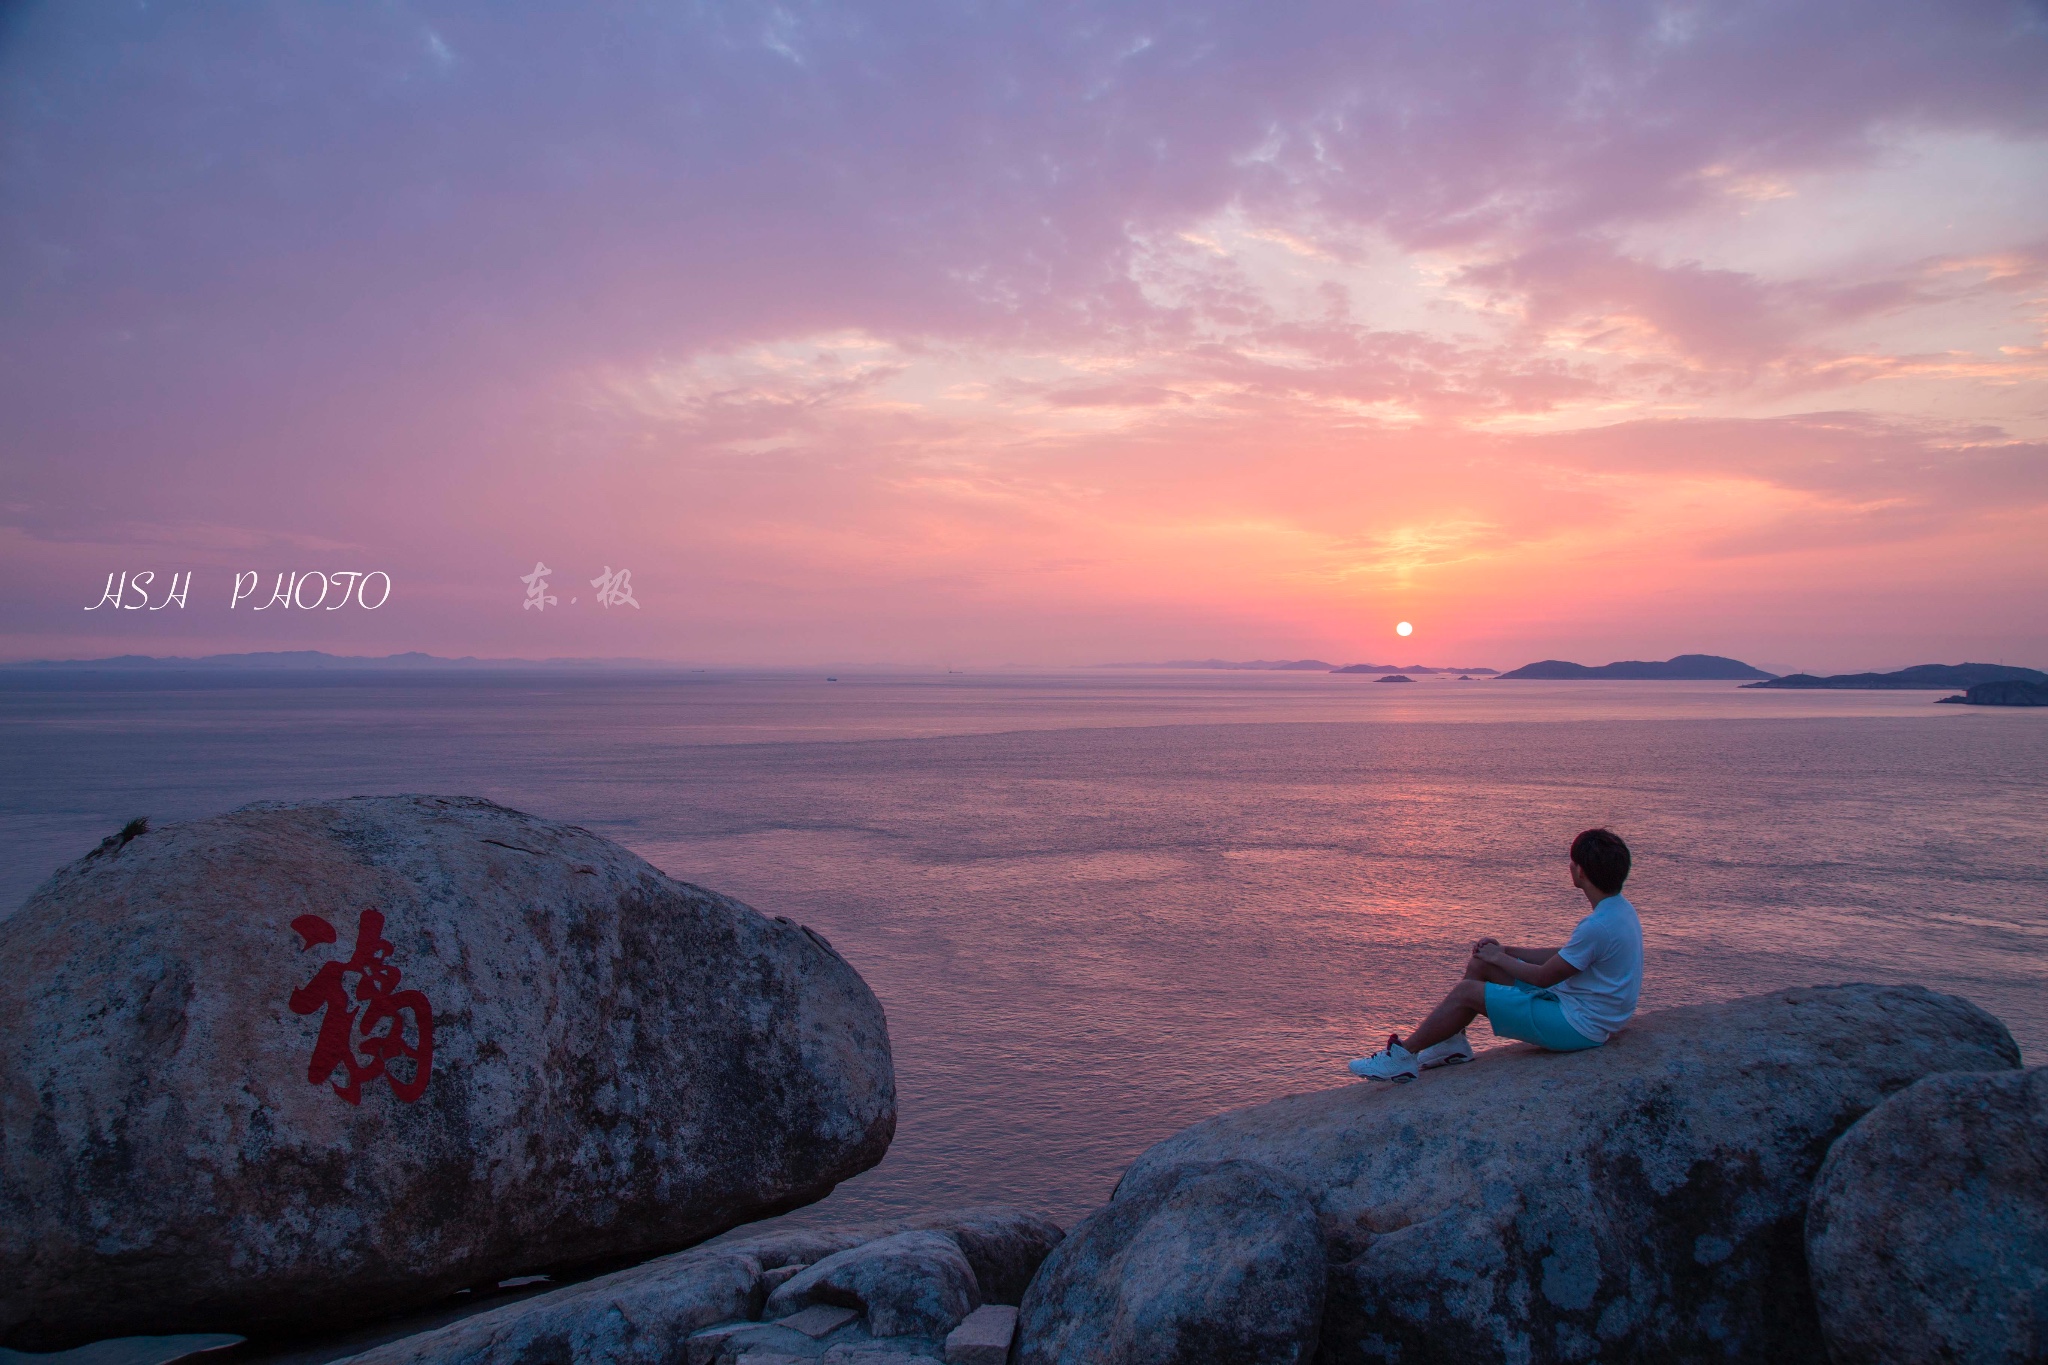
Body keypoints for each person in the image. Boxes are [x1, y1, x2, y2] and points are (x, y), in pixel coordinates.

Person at [1348, 828, 1642, 1083]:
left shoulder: (1598, 926)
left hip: (1580, 1026)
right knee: (1480, 964)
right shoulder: (1618, 910)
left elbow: (1543, 978)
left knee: (1467, 992)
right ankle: (1452, 1043)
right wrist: (1504, 952)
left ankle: (1402, 1057)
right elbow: (1566, 956)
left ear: (1580, 871)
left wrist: (1499, 959)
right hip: (1580, 1007)